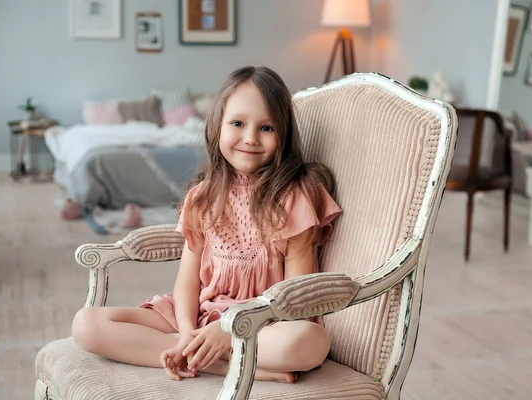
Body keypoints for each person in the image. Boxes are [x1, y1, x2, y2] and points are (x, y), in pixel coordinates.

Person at [71, 66, 342, 384]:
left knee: (309, 342)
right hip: (200, 314)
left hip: (265, 322)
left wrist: (228, 331)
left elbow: (292, 295)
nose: (250, 138)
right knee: (86, 323)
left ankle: (215, 355)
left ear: (283, 135)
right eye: (238, 123)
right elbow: (187, 281)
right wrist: (188, 333)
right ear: (218, 127)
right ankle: (219, 364)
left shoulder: (296, 197)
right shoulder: (202, 197)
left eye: (266, 128)